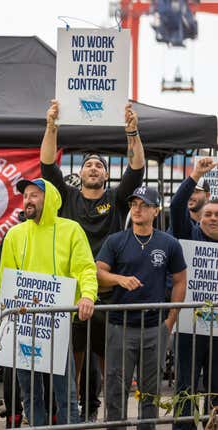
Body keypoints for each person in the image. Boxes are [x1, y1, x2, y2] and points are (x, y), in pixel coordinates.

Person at [40, 100, 145, 420]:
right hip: (73, 293)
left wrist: (132, 132)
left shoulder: (116, 199)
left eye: (99, 165)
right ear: (80, 172)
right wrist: (51, 126)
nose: (94, 168)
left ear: (105, 174)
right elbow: (46, 166)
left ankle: (111, 413)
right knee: (72, 358)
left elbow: (137, 168)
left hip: (109, 294)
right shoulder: (67, 198)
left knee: (109, 361)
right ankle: (71, 413)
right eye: (89, 165)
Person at [0, 178, 98, 426]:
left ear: (50, 198)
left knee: (66, 394)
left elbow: (85, 268)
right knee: (31, 394)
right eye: (26, 196)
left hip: (59, 325)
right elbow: (6, 280)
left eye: (34, 195)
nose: (28, 200)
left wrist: (88, 294)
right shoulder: (14, 234)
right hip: (24, 326)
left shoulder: (71, 229)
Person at [96, 185, 187, 430]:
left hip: (154, 327)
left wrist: (170, 320)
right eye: (134, 204)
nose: (137, 209)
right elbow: (98, 272)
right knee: (116, 389)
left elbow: (180, 280)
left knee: (150, 392)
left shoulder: (168, 243)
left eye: (144, 205)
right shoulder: (116, 240)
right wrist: (119, 279)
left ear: (156, 211)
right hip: (119, 325)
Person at [169, 157, 218, 430]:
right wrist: (195, 175)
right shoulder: (188, 235)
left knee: (216, 385)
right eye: (207, 214)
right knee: (185, 383)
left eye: (217, 215)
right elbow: (176, 206)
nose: (211, 218)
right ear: (200, 218)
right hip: (189, 326)